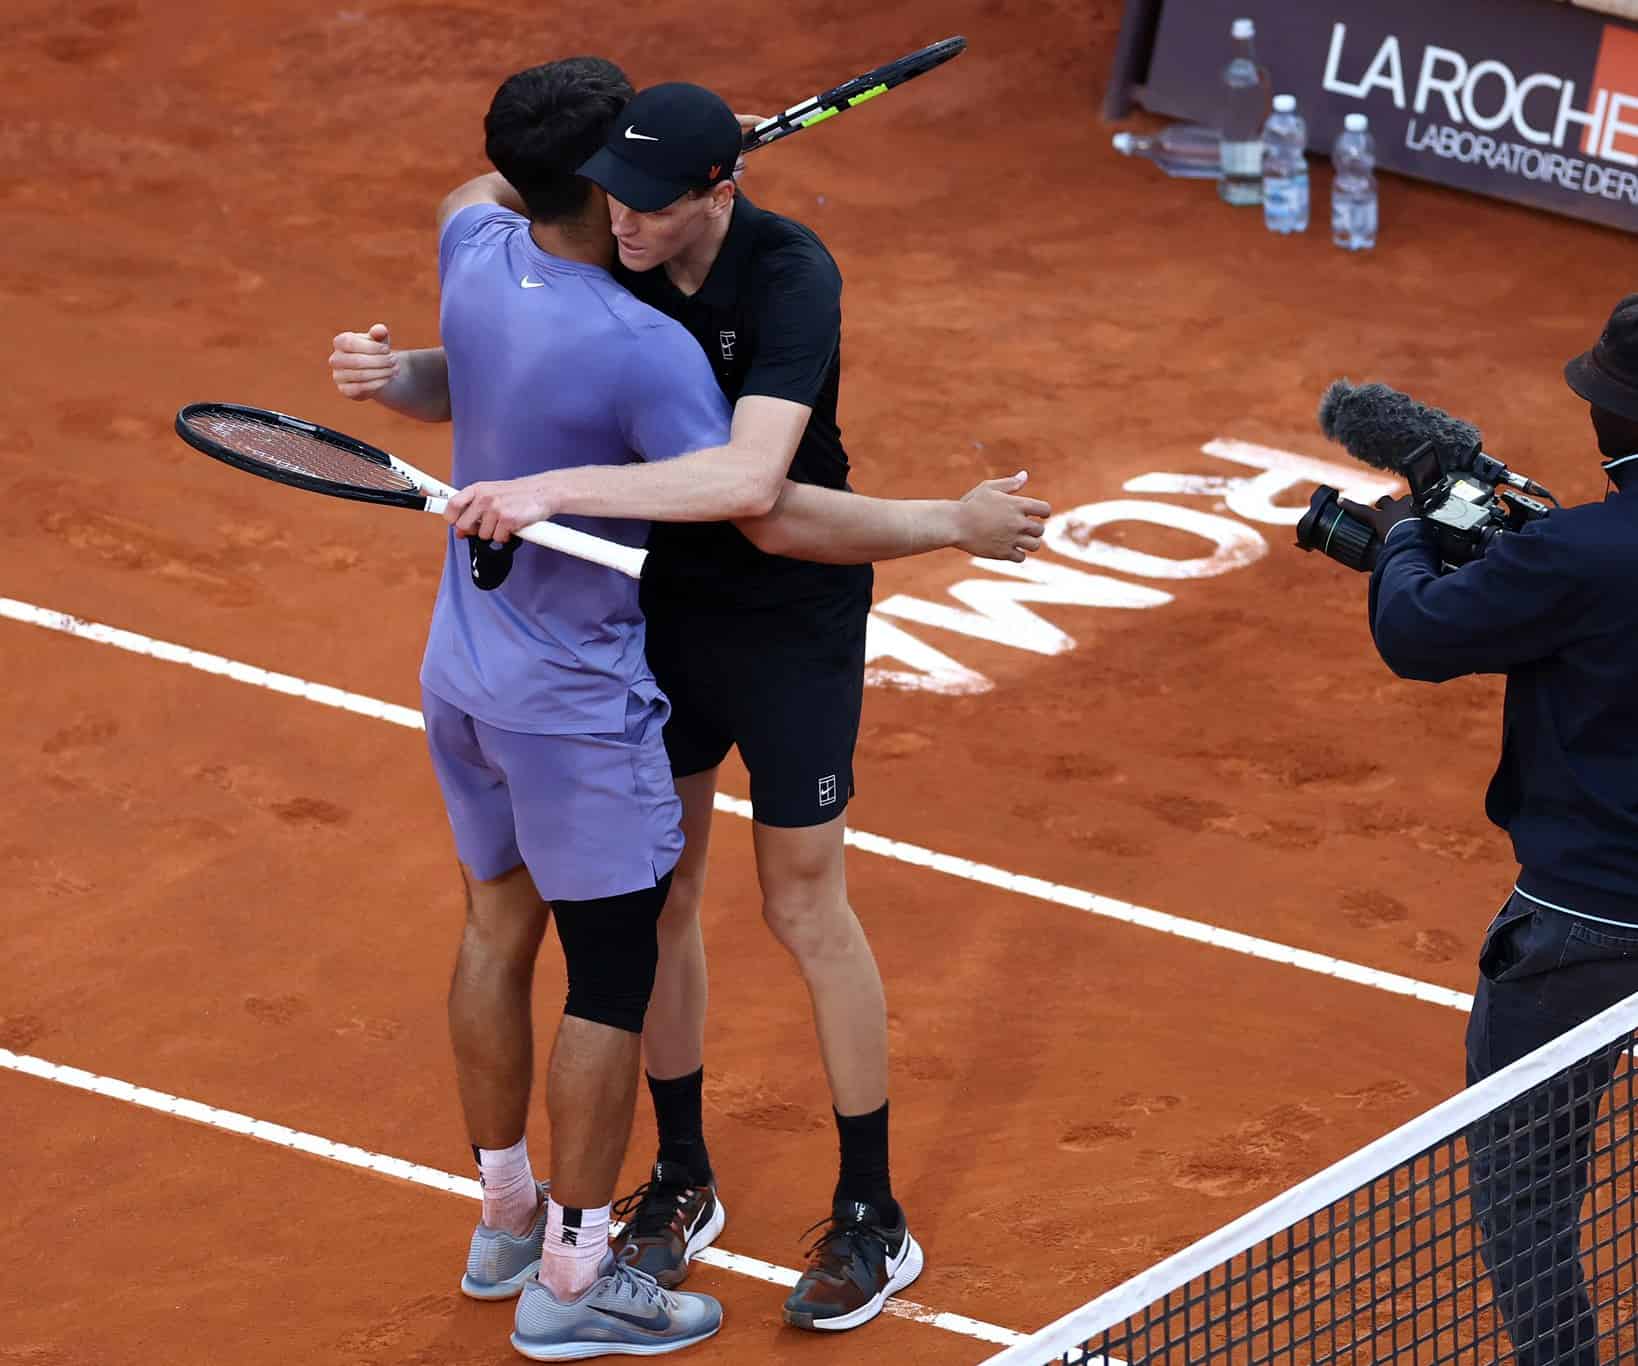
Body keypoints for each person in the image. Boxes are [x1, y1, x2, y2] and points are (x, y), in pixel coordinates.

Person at [331, 80, 1050, 1333]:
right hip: (653, 613)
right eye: (609, 189)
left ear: (722, 191)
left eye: (651, 200)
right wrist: (410, 375)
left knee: (801, 900)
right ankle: (677, 1176)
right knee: (659, 900)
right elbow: (525, 346)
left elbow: (757, 494)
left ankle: (871, 1209)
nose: (622, 220)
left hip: (787, 620)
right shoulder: (618, 236)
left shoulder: (788, 277)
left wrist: (952, 521)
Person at [416, 56, 731, 1360]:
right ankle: (574, 1274)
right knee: (612, 972)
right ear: (613, 189)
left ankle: (503, 1216)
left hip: (462, 672)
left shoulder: (473, 251)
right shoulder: (642, 347)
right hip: (574, 709)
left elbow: (480, 177)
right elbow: (732, 490)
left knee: (498, 925)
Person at [1343, 294, 1638, 1366]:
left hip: (1578, 932)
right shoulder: (1574, 554)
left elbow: (1417, 632)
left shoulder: (1580, 555)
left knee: (1527, 1189)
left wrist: (1402, 537)